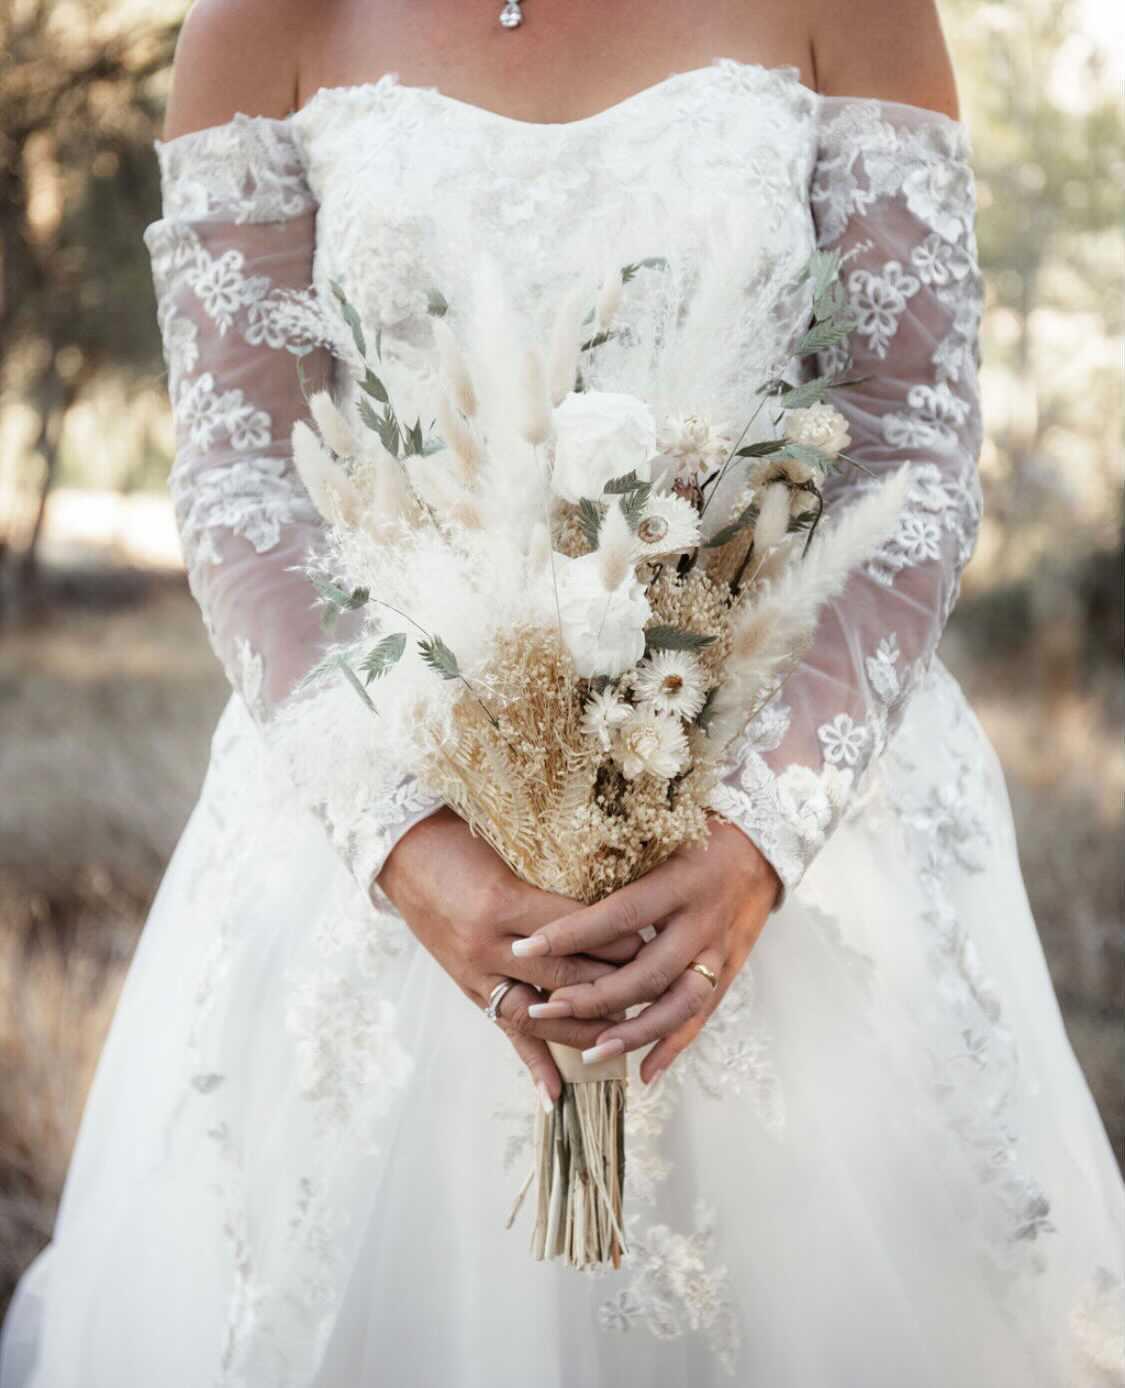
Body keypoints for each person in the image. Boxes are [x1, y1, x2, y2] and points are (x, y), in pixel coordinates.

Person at [2, 0, 1123, 1383]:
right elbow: (245, 478)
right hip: (387, 828)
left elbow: (908, 442)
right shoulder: (260, 22)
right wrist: (407, 850)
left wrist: (762, 836)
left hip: (787, 820)